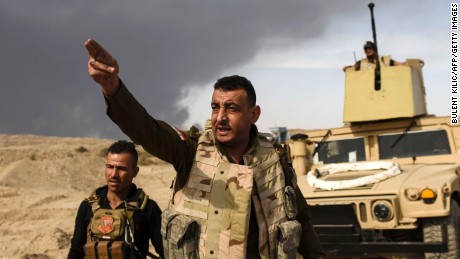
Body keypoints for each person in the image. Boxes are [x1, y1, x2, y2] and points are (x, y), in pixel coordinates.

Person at [84, 38, 325, 259]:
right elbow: (147, 130)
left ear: (253, 114)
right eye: (215, 107)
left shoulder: (274, 158)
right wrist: (113, 88)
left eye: (231, 108)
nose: (220, 117)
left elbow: (300, 218)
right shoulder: (190, 151)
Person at [68, 140, 164, 259]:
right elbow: (76, 251)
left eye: (121, 169)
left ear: (135, 172)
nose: (113, 174)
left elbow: (165, 252)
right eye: (110, 167)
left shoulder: (147, 208)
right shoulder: (88, 205)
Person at [342, 41, 407, 72]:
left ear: (374, 49)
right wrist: (347, 68)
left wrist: (407, 63)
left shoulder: (384, 60)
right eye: (366, 49)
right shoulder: (360, 63)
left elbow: (399, 64)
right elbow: (351, 69)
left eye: (369, 48)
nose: (368, 50)